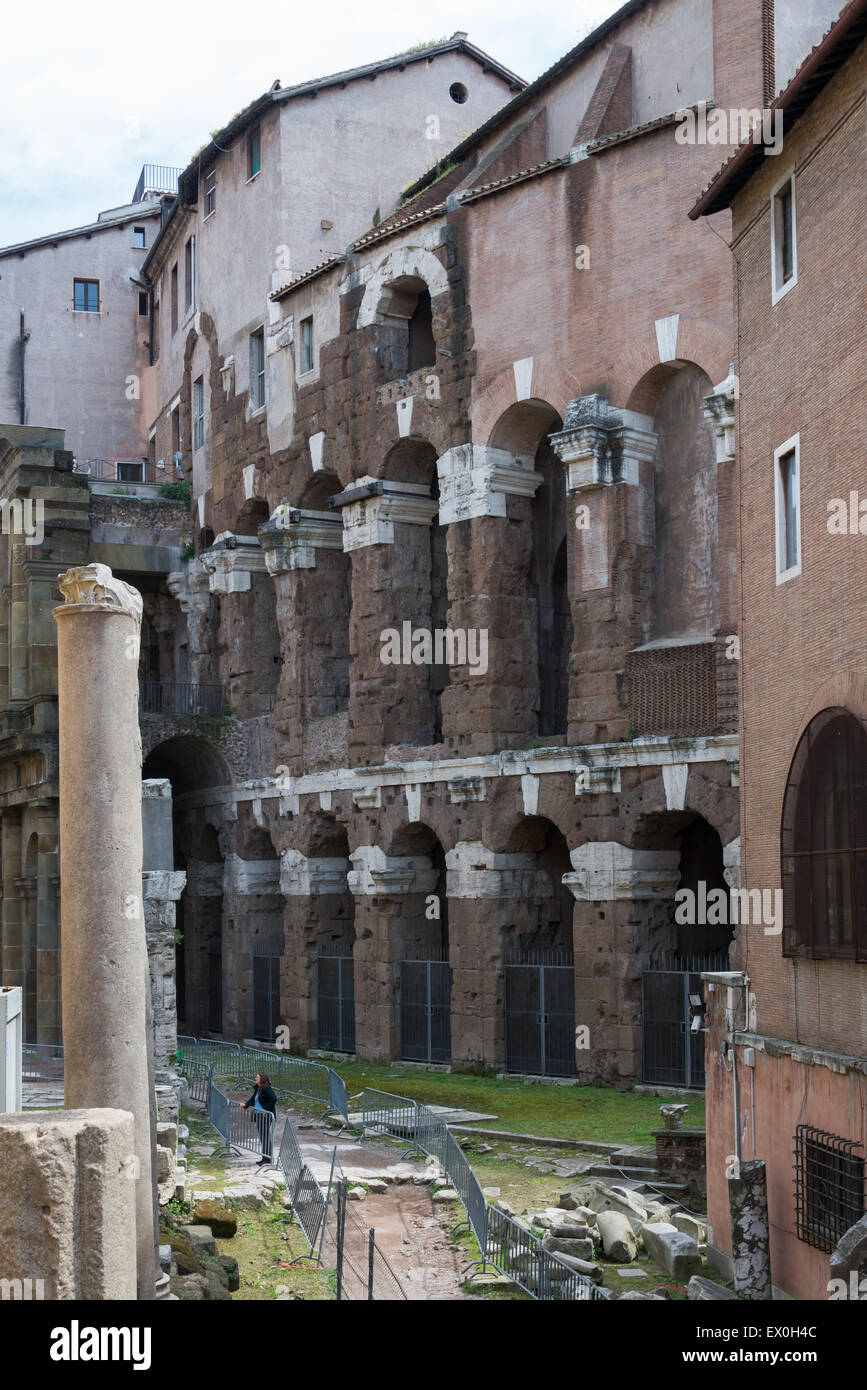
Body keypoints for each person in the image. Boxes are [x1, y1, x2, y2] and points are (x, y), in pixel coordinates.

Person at [242, 1072, 277, 1166]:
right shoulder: (258, 1088)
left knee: (265, 1137)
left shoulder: (266, 1089)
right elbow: (253, 1099)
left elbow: (273, 1098)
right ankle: (264, 1158)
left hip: (265, 1116)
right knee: (262, 1137)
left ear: (262, 1079)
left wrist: (266, 1110)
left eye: (257, 1077)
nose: (255, 1078)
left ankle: (268, 1159)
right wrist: (246, 1105)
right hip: (258, 1115)